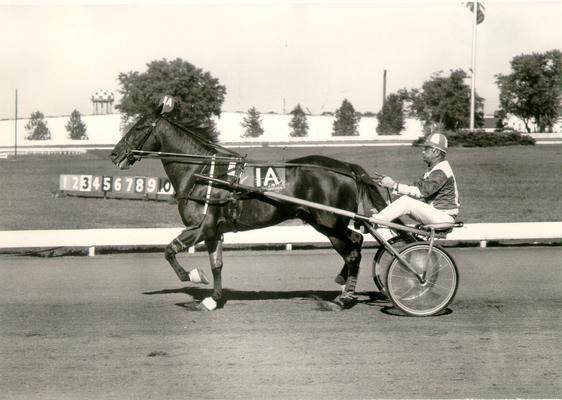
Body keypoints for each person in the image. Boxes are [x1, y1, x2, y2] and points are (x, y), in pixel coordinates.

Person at [372, 133, 460, 225]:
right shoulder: (434, 169)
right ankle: (379, 215)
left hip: (444, 216)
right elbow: (413, 188)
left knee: (406, 201)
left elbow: (420, 193)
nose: (423, 151)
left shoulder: (441, 171)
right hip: (439, 214)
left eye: (426, 149)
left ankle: (375, 221)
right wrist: (391, 187)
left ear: (436, 152)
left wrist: (393, 185)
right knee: (404, 198)